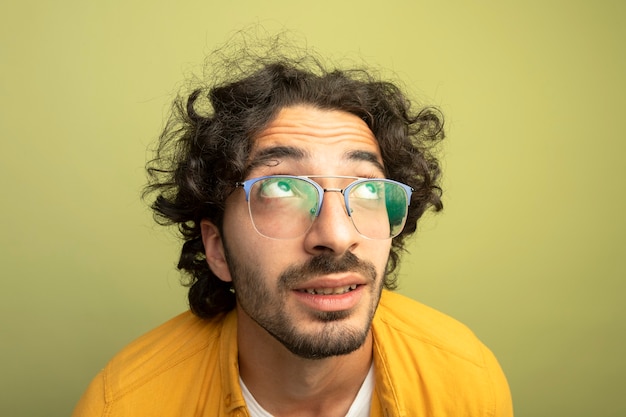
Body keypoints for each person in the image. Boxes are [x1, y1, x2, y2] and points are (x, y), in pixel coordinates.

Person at [72, 39, 513, 416]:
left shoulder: (465, 380)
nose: (337, 236)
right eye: (282, 189)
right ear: (218, 248)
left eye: (367, 190)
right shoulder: (124, 405)